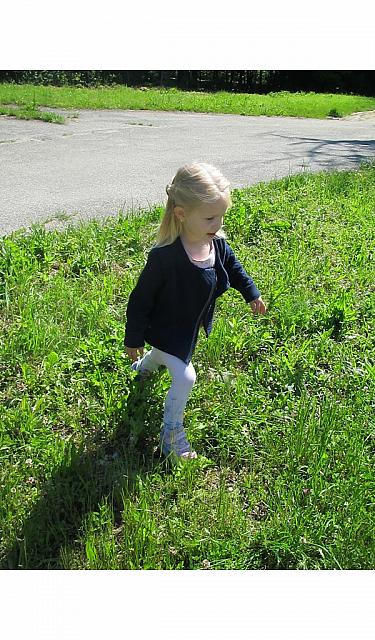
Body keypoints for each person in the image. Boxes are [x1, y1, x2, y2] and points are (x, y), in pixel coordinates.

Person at [124, 162, 267, 460]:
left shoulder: (217, 245)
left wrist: (251, 294)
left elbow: (235, 270)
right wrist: (133, 338)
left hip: (186, 330)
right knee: (186, 377)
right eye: (210, 218)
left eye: (221, 216)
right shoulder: (165, 257)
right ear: (182, 214)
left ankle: (144, 369)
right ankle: (171, 434)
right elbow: (140, 300)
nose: (217, 224)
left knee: (165, 355)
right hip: (166, 328)